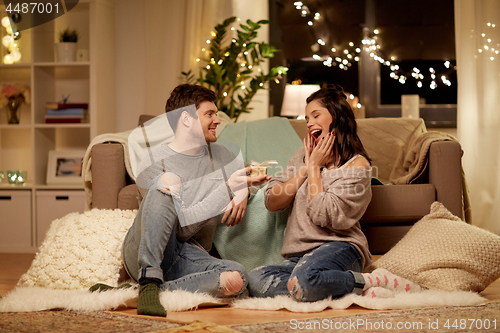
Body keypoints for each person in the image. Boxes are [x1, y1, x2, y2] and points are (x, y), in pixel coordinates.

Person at [91, 84, 270, 317]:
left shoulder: (223, 157)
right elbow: (178, 230)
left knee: (236, 278)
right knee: (168, 181)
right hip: (146, 253)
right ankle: (148, 279)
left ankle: (136, 293)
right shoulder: (154, 162)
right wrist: (226, 190)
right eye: (210, 114)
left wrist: (243, 192)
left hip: (187, 257)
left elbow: (252, 178)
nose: (217, 120)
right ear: (186, 119)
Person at [247, 84, 420, 302]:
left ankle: (368, 282)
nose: (309, 122)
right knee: (256, 279)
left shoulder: (357, 166)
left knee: (305, 281)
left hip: (340, 248)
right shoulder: (302, 155)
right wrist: (306, 167)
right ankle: (339, 286)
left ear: (336, 116)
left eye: (315, 115)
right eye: (307, 118)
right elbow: (272, 201)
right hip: (300, 256)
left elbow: (322, 214)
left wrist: (314, 168)